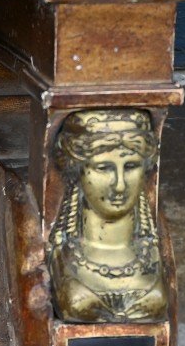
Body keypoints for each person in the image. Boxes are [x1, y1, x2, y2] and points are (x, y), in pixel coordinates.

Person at [49, 109, 167, 323]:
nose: (119, 185)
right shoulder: (57, 252)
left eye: (131, 166)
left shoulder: (157, 247)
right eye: (104, 168)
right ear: (77, 170)